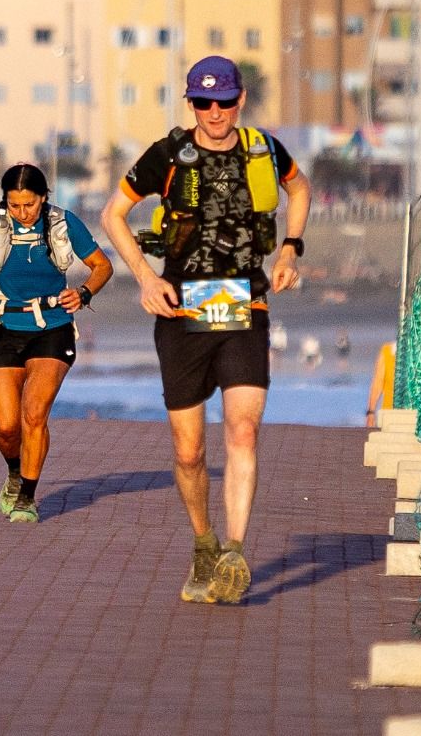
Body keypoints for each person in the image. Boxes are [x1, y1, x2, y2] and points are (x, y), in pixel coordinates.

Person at [101, 55, 310, 605]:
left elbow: (301, 190)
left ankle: (235, 553)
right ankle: (204, 544)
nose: (214, 112)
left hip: (247, 308)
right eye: (202, 102)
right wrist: (145, 278)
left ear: (240, 100)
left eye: (223, 102)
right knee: (190, 451)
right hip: (181, 314)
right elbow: (113, 214)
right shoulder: (167, 155)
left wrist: (290, 248)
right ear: (190, 102)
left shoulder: (263, 149)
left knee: (243, 431)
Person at [0, 162, 112, 523]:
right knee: (7, 428)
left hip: (51, 326)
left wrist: (84, 293)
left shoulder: (63, 221)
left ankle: (27, 495)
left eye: (30, 205)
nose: (23, 213)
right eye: (15, 205)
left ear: (43, 198)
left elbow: (102, 266)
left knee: (34, 414)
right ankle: (14, 471)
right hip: (0, 326)